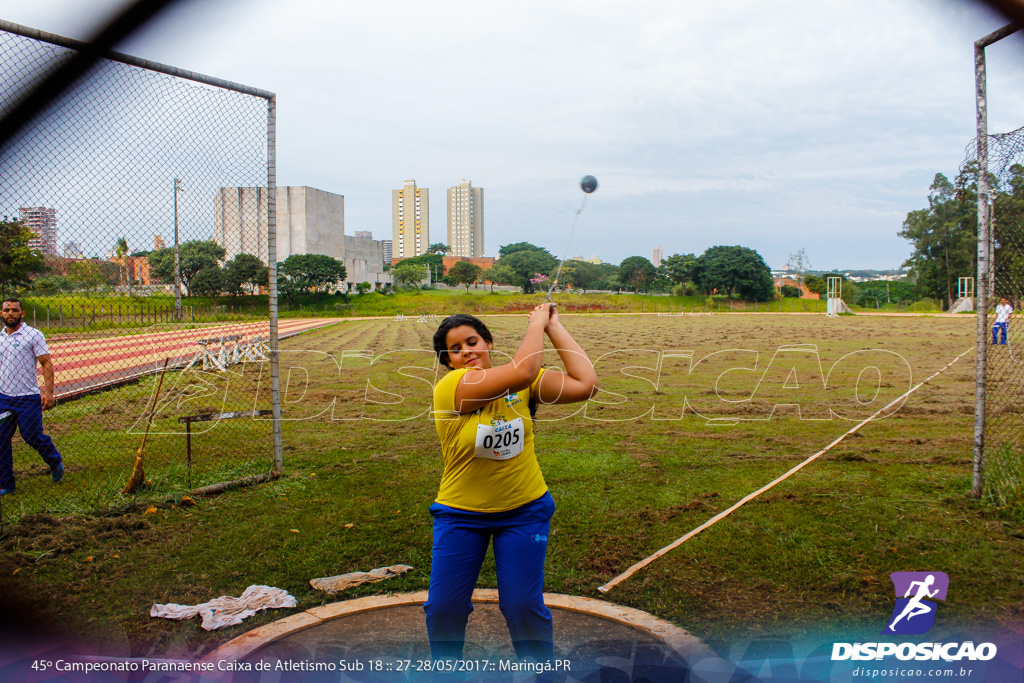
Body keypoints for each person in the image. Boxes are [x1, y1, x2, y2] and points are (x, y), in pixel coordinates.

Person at [426, 303, 598, 663]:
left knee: (522, 606)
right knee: (444, 609)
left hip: (525, 510)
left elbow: (586, 385)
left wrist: (553, 325)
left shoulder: (524, 384)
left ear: (488, 342)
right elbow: (523, 369)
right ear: (449, 362)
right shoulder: (452, 387)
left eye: (472, 341)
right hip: (461, 514)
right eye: (455, 350)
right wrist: (535, 321)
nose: (466, 352)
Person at [0, 297, 64, 495]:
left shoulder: (33, 335)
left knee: (32, 437)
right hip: (4, 398)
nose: (10, 313)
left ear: (22, 313)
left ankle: (54, 461)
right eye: (6, 310)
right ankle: (7, 484)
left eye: (14, 310)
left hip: (27, 397)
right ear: (1, 314)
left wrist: (48, 391)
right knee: (1, 439)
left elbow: (46, 363)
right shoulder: (0, 337)